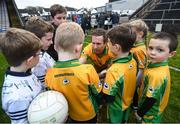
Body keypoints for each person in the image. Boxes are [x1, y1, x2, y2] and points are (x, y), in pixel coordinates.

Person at [45, 22, 102, 123]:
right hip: (89, 115)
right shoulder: (88, 70)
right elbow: (98, 94)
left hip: (67, 115)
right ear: (78, 48)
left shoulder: (49, 74)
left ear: (54, 47)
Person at [0, 28, 43, 124]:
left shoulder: (24, 72)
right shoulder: (18, 98)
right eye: (39, 53)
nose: (40, 56)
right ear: (30, 60)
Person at [135, 32, 178, 123]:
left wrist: (139, 113)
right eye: (150, 48)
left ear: (171, 54)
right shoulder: (155, 64)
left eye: (160, 50)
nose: (153, 53)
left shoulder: (157, 76)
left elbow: (151, 99)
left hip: (150, 114)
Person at [102, 23, 137, 123]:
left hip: (116, 107)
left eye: (108, 42)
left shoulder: (114, 71)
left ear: (116, 47)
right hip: (127, 101)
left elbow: (108, 97)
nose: (107, 45)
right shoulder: (133, 60)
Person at [25, 16, 55, 85]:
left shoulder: (42, 52)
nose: (51, 42)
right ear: (36, 39)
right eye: (48, 39)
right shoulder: (39, 61)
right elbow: (44, 85)